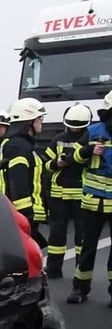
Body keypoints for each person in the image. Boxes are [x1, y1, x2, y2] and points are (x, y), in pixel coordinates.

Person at [67, 90, 112, 304]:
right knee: (87, 247)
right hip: (92, 201)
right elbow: (73, 158)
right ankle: (80, 288)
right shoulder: (93, 132)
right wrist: (87, 150)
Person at [43, 104, 91, 278]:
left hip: (82, 195)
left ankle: (81, 270)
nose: (75, 129)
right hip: (59, 195)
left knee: (82, 236)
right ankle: (53, 269)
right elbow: (46, 165)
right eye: (72, 125)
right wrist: (56, 163)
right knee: (56, 235)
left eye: (78, 126)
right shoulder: (58, 139)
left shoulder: (90, 140)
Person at [0, 97, 48, 248]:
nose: (41, 122)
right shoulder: (19, 146)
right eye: (39, 118)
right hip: (23, 214)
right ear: (30, 121)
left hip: (23, 213)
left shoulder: (21, 144)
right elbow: (18, 180)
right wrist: (26, 214)